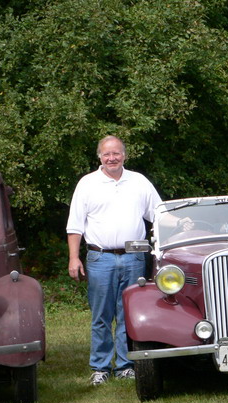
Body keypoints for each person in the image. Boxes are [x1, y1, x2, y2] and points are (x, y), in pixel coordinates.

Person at [66, 135, 162, 385]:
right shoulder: (87, 184)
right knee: (101, 315)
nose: (112, 158)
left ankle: (125, 365)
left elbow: (159, 215)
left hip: (134, 258)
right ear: (99, 157)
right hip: (100, 258)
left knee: (128, 313)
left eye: (116, 153)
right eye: (107, 154)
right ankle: (100, 367)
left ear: (124, 155)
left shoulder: (139, 182)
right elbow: (75, 226)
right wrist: (74, 258)